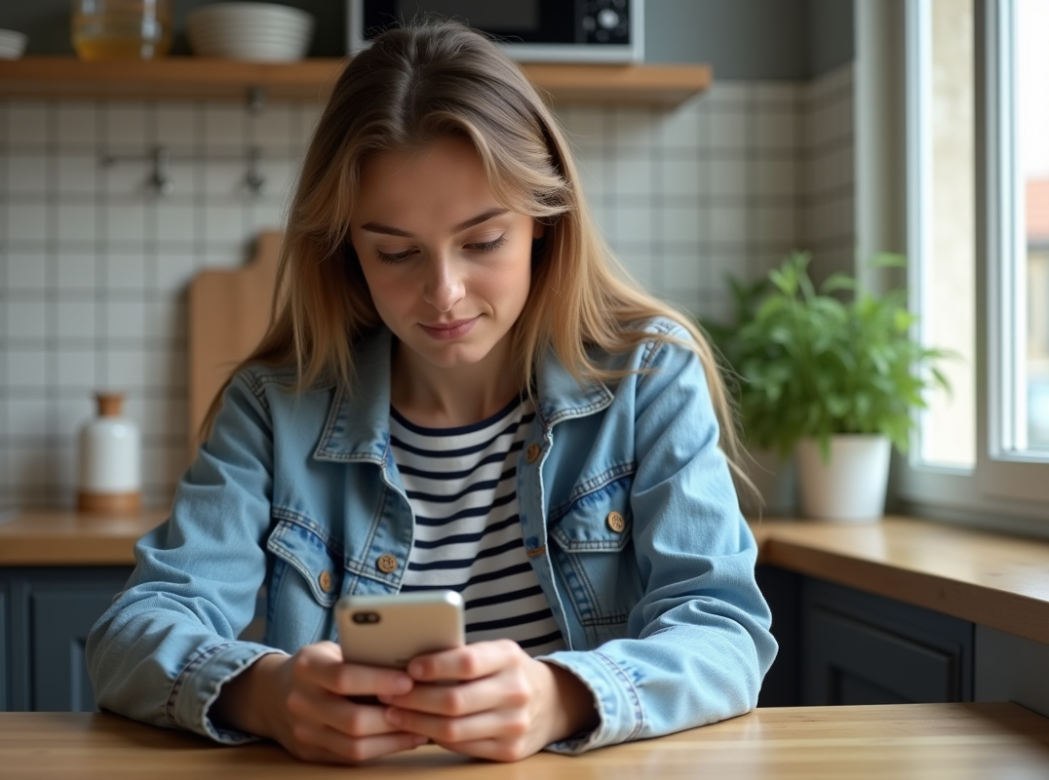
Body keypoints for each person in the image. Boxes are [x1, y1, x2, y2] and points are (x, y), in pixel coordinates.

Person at [86, 18, 777, 765]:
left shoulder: (648, 376)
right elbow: (135, 630)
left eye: (482, 242)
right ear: (347, 249)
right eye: (396, 252)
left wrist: (564, 696)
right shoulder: (272, 406)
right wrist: (266, 692)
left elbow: (724, 631)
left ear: (544, 221)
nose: (443, 293)